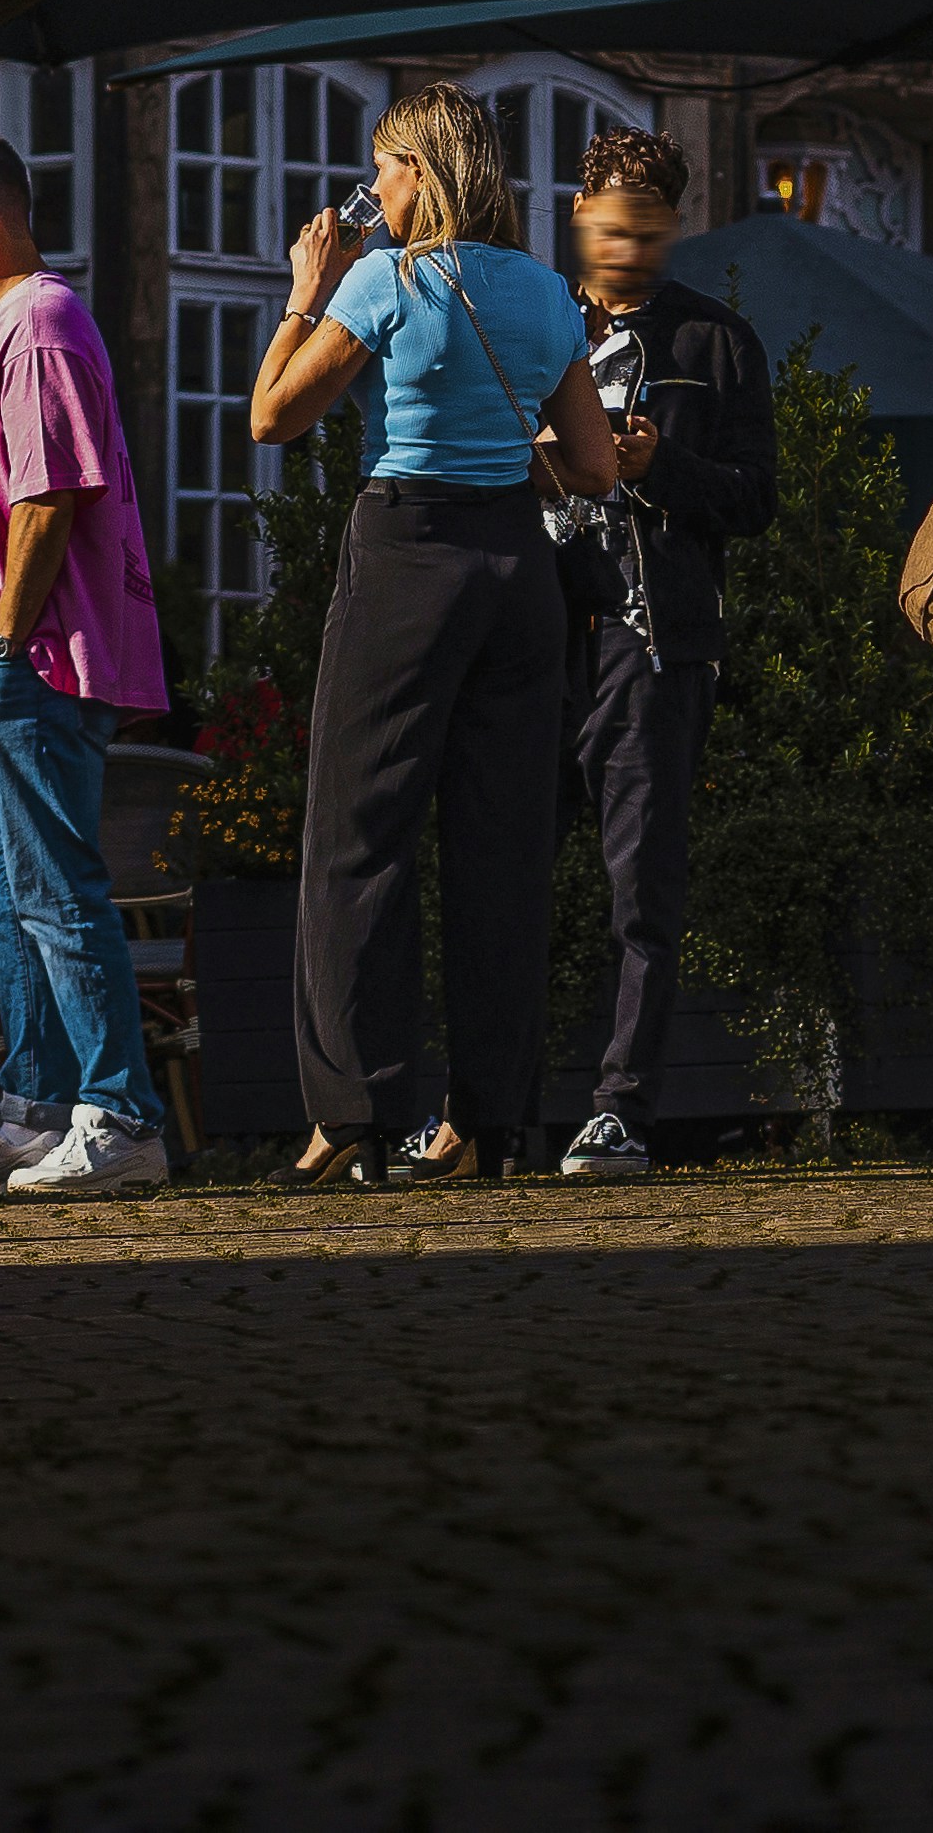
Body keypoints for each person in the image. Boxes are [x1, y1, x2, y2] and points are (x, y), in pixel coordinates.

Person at [249, 82, 624, 1187]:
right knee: (502, 848)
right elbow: (596, 466)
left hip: (406, 552)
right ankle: (488, 1122)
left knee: (357, 837)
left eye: (386, 169)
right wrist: (507, 443)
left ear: (427, 168)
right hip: (516, 564)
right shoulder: (549, 290)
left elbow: (274, 415)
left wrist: (300, 295)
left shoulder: (385, 278)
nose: (373, 190)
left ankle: (351, 1117)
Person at [0, 132, 179, 1195]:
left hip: (30, 654)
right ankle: (34, 1110)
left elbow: (54, 498)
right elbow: (4, 496)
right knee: (3, 901)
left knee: (54, 890)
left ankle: (124, 1115)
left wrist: (6, 634)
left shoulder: (42, 322)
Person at [546, 125, 777, 1181]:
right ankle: (488, 1104)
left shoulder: (716, 344)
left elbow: (757, 500)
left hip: (654, 645)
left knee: (643, 885)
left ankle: (620, 1106)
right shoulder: (539, 327)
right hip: (538, 637)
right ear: (582, 219)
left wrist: (662, 462)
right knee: (506, 874)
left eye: (644, 227)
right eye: (608, 224)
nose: (625, 245)